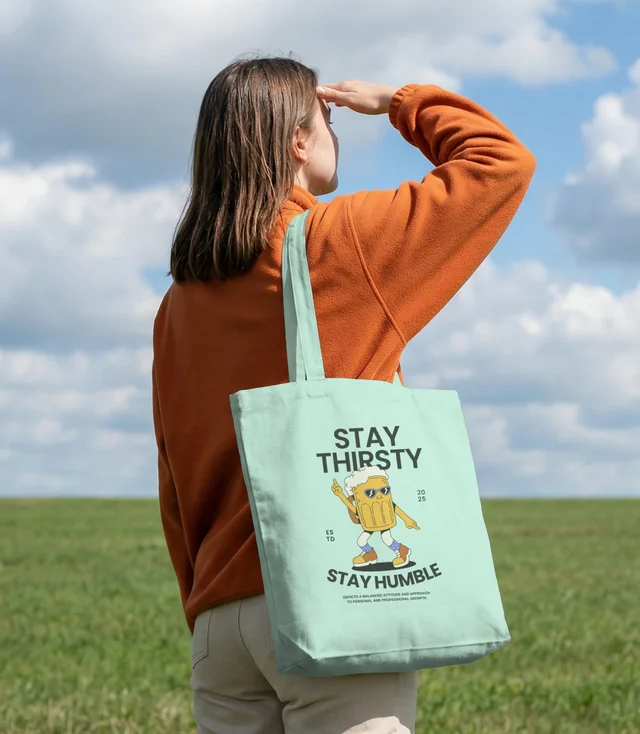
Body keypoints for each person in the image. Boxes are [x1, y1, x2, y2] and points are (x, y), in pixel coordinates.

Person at [152, 57, 536, 734]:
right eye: (328, 119)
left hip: (219, 625)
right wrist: (398, 101)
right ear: (297, 141)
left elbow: (175, 481)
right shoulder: (339, 243)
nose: (339, 129)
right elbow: (500, 162)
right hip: (329, 598)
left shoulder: (178, 303)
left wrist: (205, 605)